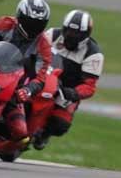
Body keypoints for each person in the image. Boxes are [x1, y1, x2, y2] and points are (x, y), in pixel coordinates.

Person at [31, 10, 104, 150]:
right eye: (69, 31)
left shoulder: (93, 54)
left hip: (66, 91)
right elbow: (33, 52)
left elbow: (89, 86)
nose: (71, 36)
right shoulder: (52, 35)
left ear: (86, 35)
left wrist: (73, 93)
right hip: (41, 78)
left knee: (60, 123)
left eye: (77, 34)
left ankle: (45, 133)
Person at [0, 0, 52, 147]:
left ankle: (3, 146)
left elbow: (40, 77)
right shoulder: (4, 24)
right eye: (30, 23)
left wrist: (27, 90)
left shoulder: (43, 44)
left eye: (38, 24)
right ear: (19, 17)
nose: (33, 28)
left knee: (20, 133)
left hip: (15, 86)